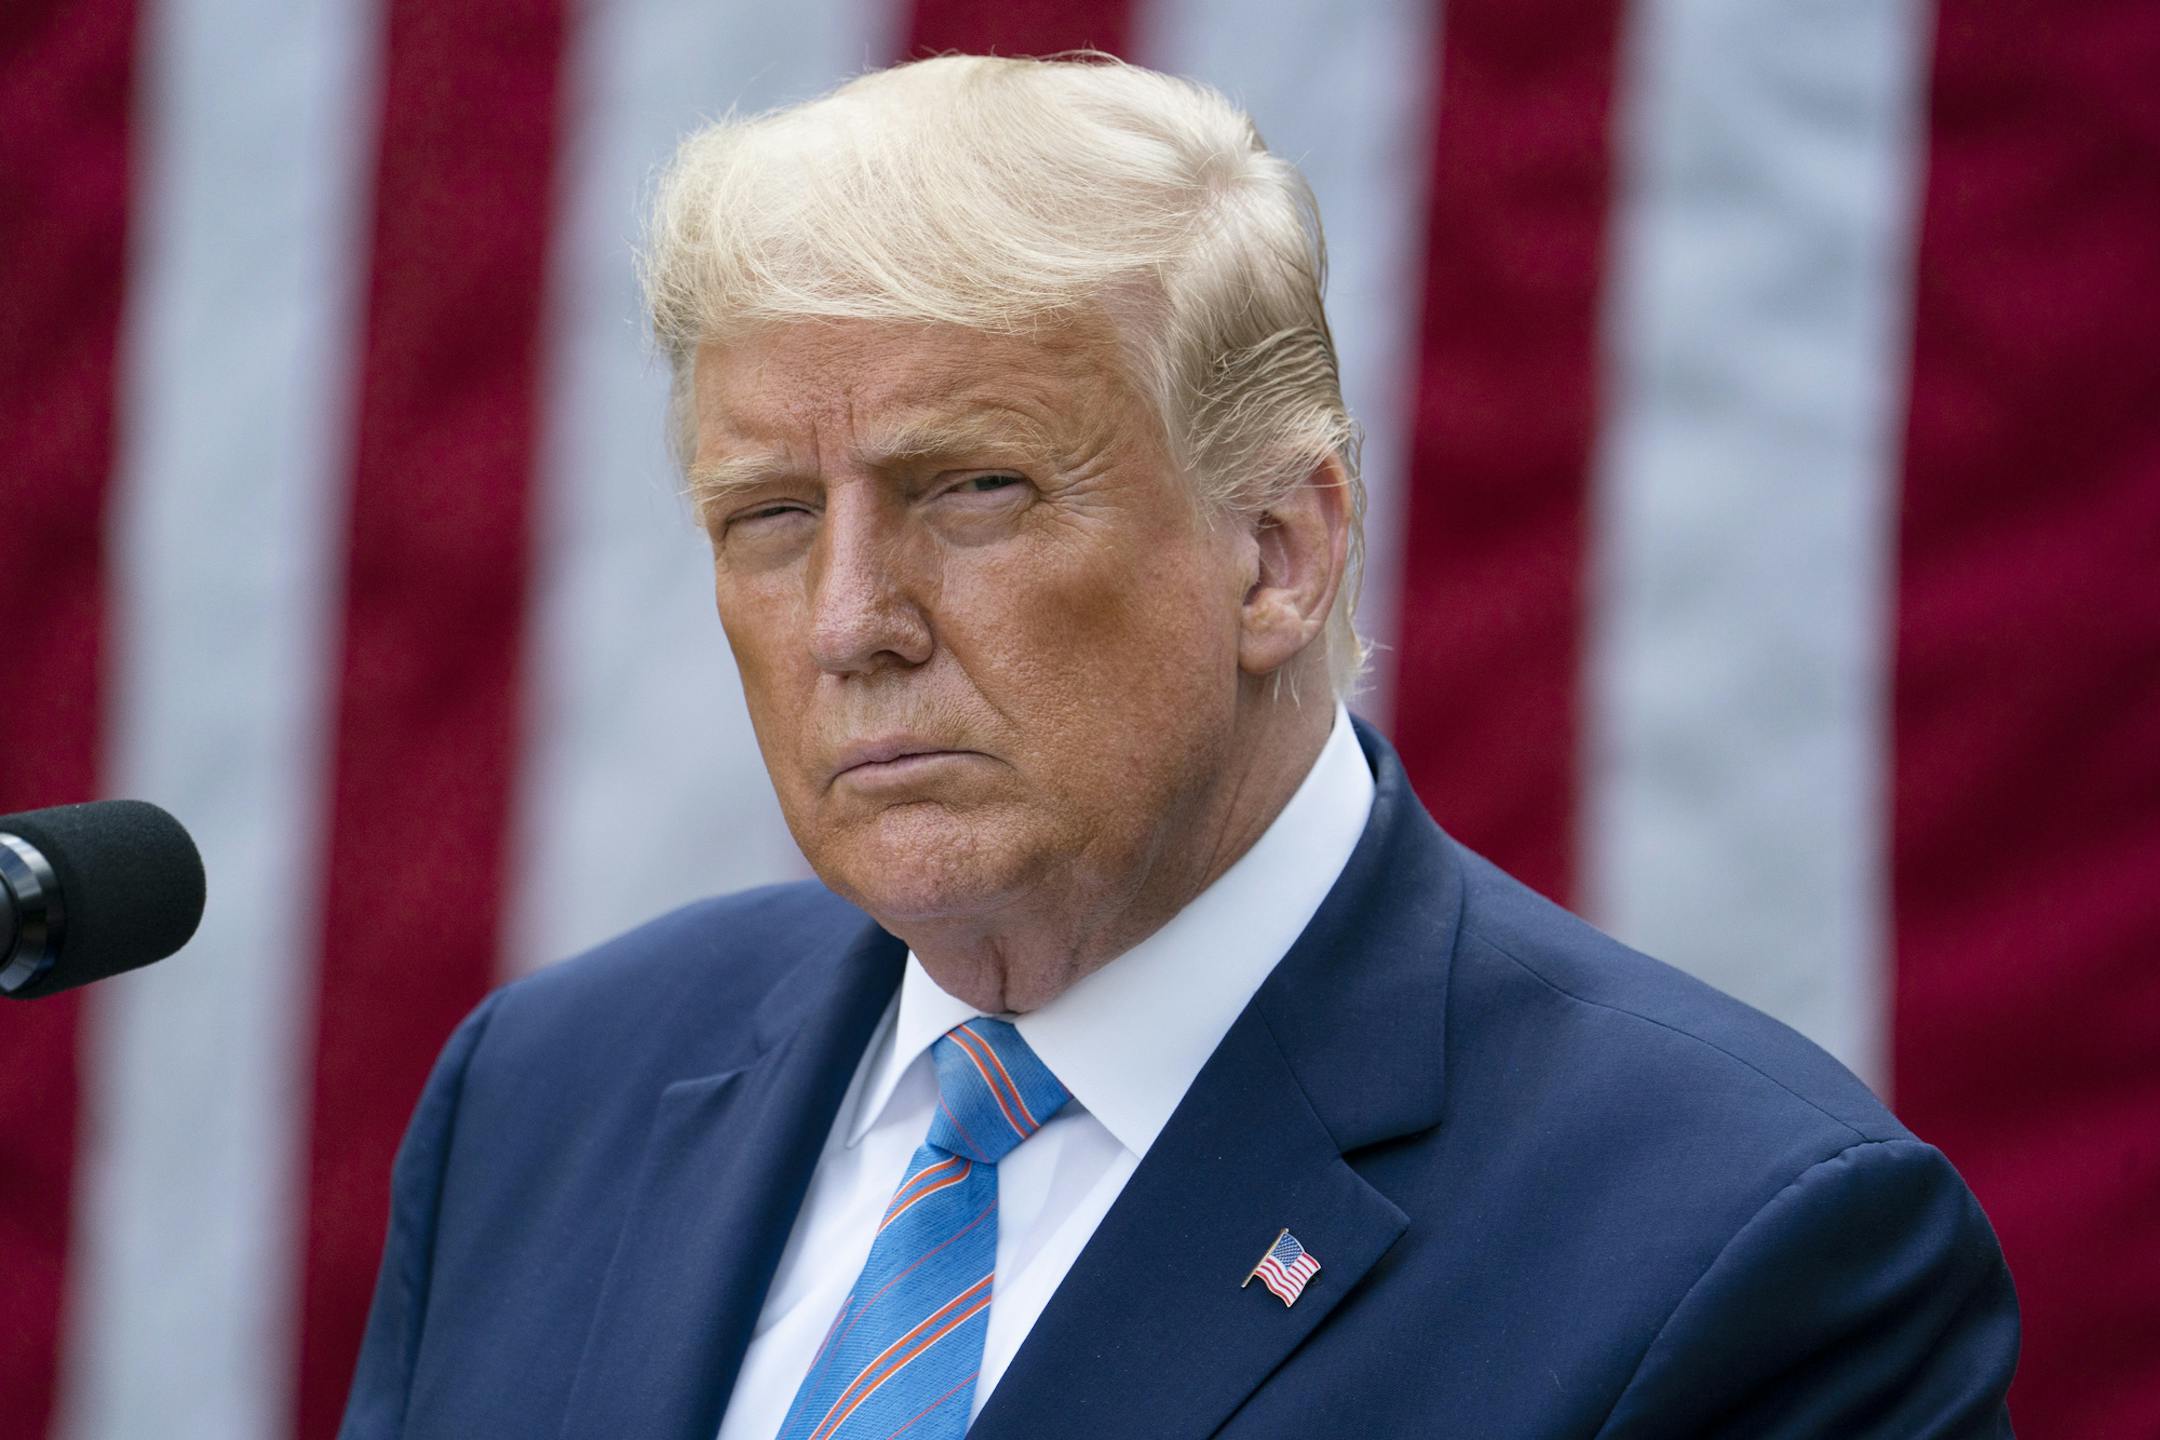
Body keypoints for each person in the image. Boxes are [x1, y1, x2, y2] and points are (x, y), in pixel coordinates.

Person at [339, 53, 2018, 1440]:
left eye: (972, 490)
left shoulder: (1742, 1251)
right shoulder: (548, 1096)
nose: (851, 618)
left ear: (1280, 551)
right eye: (770, 515)